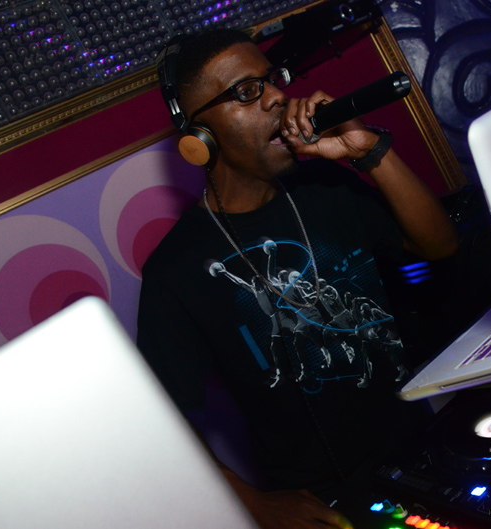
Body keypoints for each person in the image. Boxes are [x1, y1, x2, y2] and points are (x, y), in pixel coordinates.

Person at [137, 28, 459, 529]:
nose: (276, 97)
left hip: (426, 453)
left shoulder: (328, 187)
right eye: (247, 91)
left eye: (272, 80)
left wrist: (368, 150)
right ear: (199, 136)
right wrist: (251, 503)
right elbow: (162, 421)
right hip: (324, 506)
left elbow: (440, 245)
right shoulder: (174, 270)